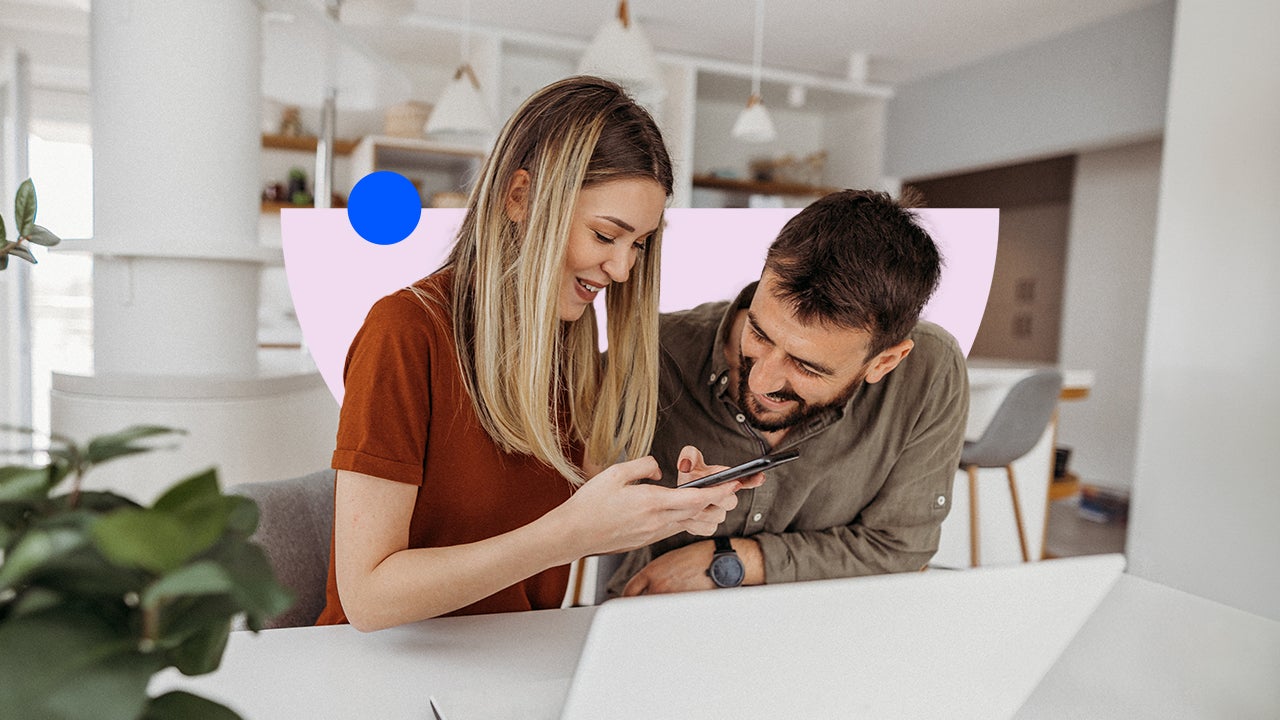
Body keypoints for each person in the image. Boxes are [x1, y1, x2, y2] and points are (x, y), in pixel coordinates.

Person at [317, 76, 758, 631]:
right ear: (520, 196)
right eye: (605, 236)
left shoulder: (566, 347)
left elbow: (584, 510)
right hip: (386, 668)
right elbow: (369, 597)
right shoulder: (405, 331)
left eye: (639, 244)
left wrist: (671, 505)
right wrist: (566, 536)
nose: (623, 270)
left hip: (510, 656)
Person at [608, 189, 969, 597]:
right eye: (758, 332)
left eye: (806, 366)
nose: (761, 381)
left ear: (883, 363)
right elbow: (567, 506)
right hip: (655, 616)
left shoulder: (929, 371)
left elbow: (899, 547)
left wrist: (733, 561)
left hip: (829, 627)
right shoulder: (654, 350)